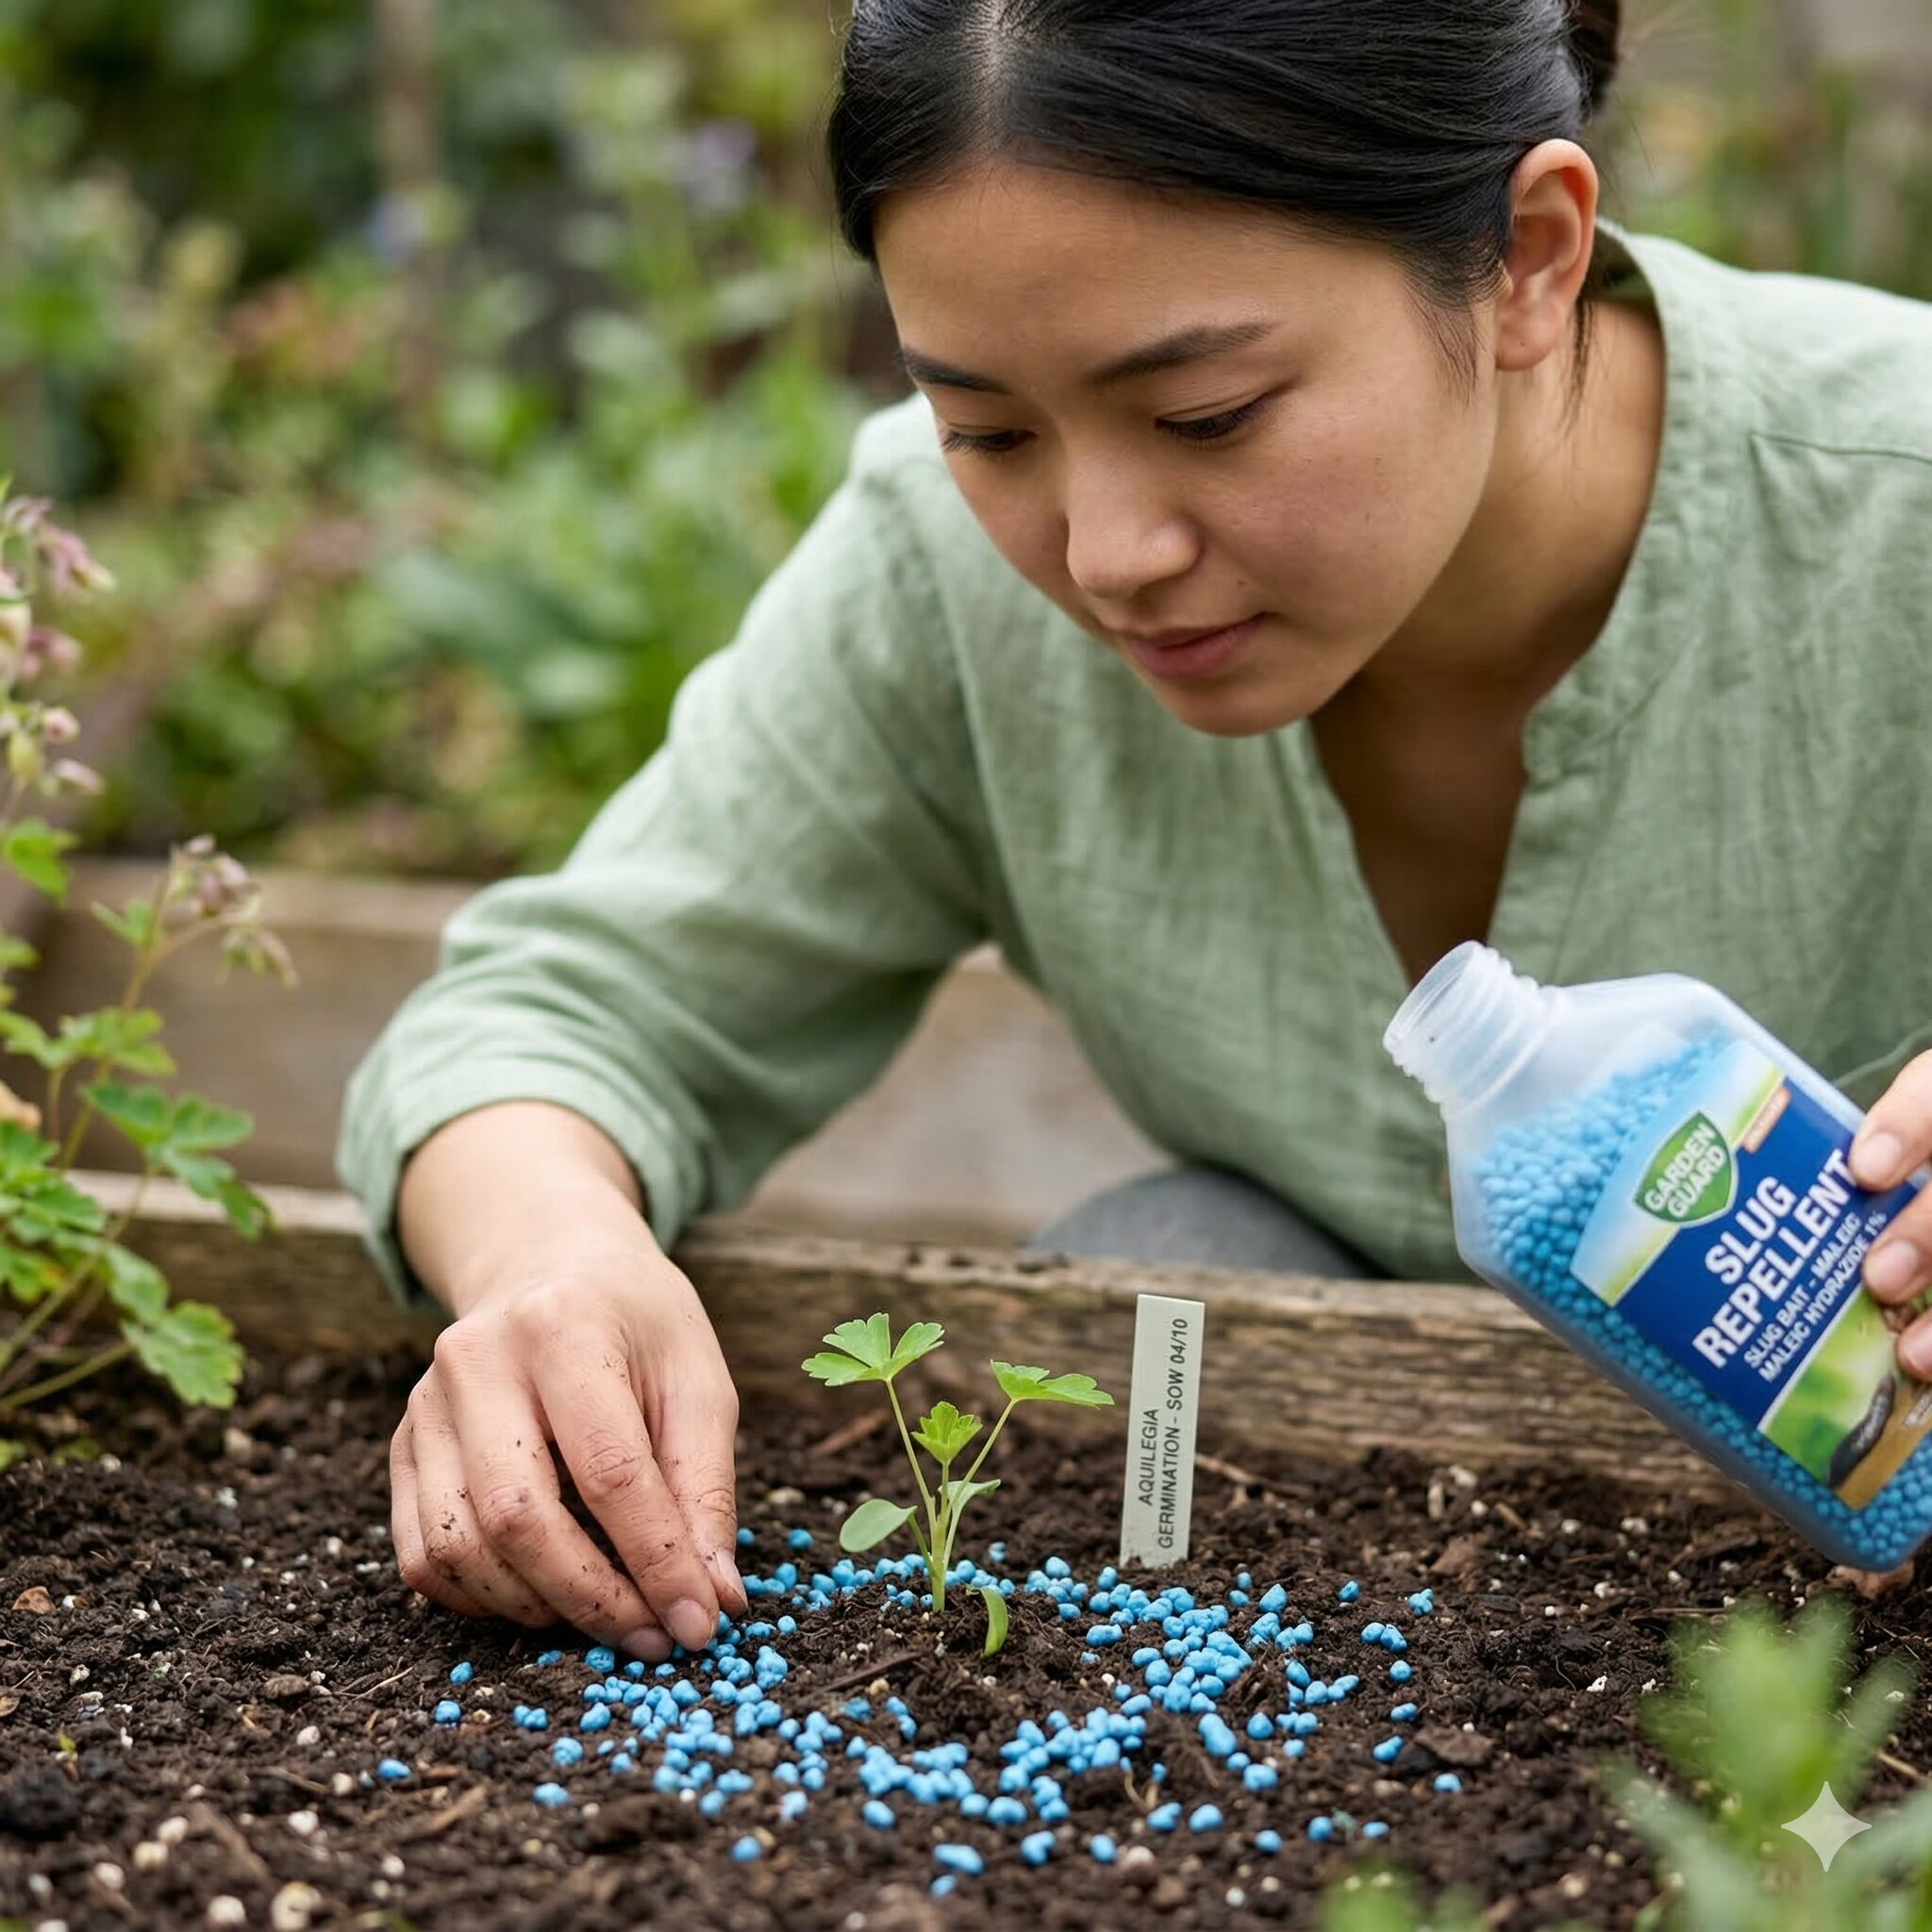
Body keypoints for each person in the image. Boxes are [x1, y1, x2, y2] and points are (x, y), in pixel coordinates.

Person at [337, 0, 1932, 1658]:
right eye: (989, 430)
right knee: (1164, 1271)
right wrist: (552, 1262)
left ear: (1526, 258)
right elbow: (557, 1016)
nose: (1104, 554)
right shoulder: (945, 589)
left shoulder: (1897, 503)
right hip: (1376, 1615)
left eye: (1207, 415)